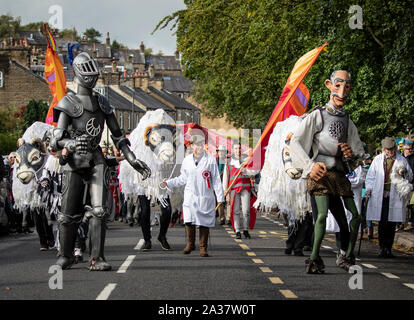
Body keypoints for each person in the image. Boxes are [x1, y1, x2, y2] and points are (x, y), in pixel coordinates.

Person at [50, 52, 151, 271]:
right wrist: (71, 144)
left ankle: (97, 257)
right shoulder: (67, 102)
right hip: (75, 162)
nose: (92, 77)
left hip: (96, 158)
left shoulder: (103, 103)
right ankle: (66, 255)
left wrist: (133, 160)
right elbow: (56, 139)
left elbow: (118, 136)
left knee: (99, 210)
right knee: (68, 213)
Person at [289, 70, 365, 273]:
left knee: (355, 216)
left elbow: (358, 153)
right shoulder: (318, 115)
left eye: (347, 86)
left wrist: (351, 156)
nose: (342, 91)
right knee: (321, 216)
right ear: (329, 85)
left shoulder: (348, 121)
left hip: (339, 175)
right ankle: (314, 259)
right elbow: (295, 142)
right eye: (338, 85)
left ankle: (347, 254)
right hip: (320, 174)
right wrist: (309, 166)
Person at [162, 134, 225, 257]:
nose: (199, 147)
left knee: (204, 222)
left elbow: (216, 179)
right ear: (191, 146)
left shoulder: (210, 160)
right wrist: (169, 182)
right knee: (189, 220)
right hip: (190, 195)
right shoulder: (187, 160)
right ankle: (190, 244)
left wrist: (220, 197)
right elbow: (182, 178)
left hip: (205, 195)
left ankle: (203, 247)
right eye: (196, 144)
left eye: (201, 144)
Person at [365, 137, 413, 258]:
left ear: (395, 149)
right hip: (380, 195)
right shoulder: (377, 160)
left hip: (394, 195)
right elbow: (371, 176)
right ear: (384, 149)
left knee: (391, 223)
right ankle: (382, 247)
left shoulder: (401, 160)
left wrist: (404, 174)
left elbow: (410, 176)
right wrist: (369, 188)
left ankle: (388, 248)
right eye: (387, 149)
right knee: (382, 222)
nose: (390, 152)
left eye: (392, 149)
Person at [222, 142, 258, 239]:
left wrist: (245, 171)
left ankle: (245, 229)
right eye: (236, 148)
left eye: (239, 148)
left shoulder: (246, 160)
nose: (238, 150)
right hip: (233, 189)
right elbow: (226, 177)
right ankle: (238, 230)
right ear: (233, 150)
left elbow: (254, 172)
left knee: (246, 210)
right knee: (236, 210)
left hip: (245, 188)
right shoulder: (228, 162)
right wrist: (225, 190)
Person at [216, 145, 228, 225]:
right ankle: (222, 218)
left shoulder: (228, 161)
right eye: (219, 151)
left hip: (226, 182)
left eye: (223, 151)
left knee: (228, 201)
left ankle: (230, 217)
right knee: (219, 201)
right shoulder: (215, 160)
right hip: (217, 183)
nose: (221, 153)